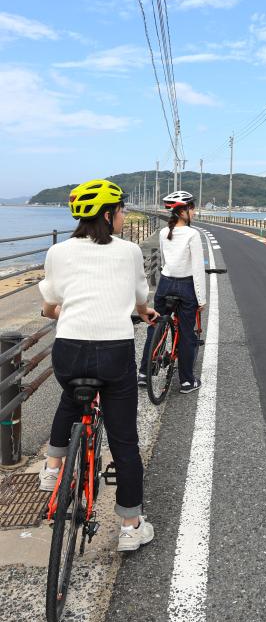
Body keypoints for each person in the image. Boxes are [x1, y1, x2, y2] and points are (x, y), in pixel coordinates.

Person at [38, 179, 158, 552]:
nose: (123, 215)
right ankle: (129, 526)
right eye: (120, 210)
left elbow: (49, 306)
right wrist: (144, 312)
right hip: (114, 351)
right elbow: (140, 299)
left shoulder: (58, 252)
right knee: (124, 440)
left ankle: (53, 468)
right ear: (108, 214)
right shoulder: (128, 252)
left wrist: (63, 308)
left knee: (71, 397)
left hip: (69, 349)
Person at [138, 190, 206, 393]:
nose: (194, 212)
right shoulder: (193, 234)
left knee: (156, 326)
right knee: (186, 334)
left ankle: (144, 372)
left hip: (165, 284)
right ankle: (186, 381)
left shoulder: (162, 232)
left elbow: (166, 261)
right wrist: (201, 299)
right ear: (183, 211)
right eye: (192, 208)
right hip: (186, 286)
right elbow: (197, 269)